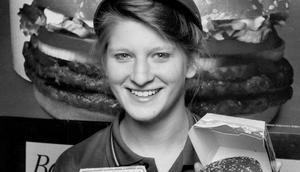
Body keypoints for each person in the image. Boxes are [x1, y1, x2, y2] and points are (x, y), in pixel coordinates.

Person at [53, 0, 281, 171]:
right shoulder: (74, 165)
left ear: (191, 62)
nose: (140, 77)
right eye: (123, 56)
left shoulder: (243, 152)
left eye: (160, 54)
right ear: (104, 63)